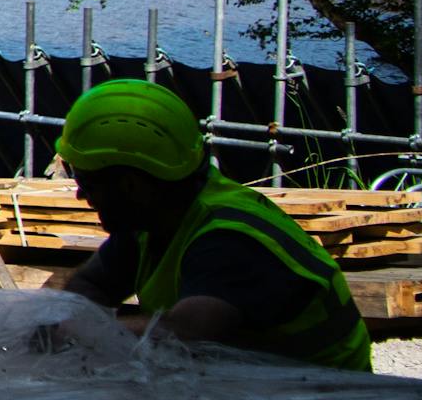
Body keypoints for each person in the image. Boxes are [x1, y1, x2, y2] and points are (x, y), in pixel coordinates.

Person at [51, 79, 372, 370]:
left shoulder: (229, 240)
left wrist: (84, 330)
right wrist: (58, 324)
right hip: (268, 393)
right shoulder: (154, 219)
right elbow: (90, 287)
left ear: (132, 185)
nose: (80, 195)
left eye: (88, 182)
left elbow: (187, 335)